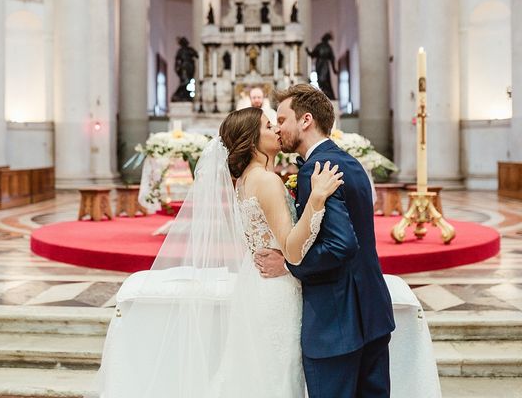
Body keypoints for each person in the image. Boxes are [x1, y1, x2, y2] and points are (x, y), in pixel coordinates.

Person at [93, 106, 343, 398]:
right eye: (267, 126)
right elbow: (292, 250)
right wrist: (316, 199)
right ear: (251, 141)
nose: (276, 129)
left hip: (255, 284)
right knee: (276, 375)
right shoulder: (267, 180)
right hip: (276, 290)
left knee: (257, 372)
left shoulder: (247, 180)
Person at [255, 83, 396, 397]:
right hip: (371, 312)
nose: (278, 129)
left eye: (282, 119)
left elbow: (340, 245)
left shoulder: (316, 171)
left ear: (305, 120)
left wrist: (290, 264)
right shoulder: (349, 162)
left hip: (336, 323)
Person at [306, 32, 338, 100]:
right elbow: (313, 54)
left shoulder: (328, 47)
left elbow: (332, 58)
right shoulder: (319, 46)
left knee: (325, 80)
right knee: (320, 80)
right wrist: (308, 51)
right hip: (319, 65)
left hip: (324, 65)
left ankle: (328, 95)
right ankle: (323, 94)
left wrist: (334, 69)